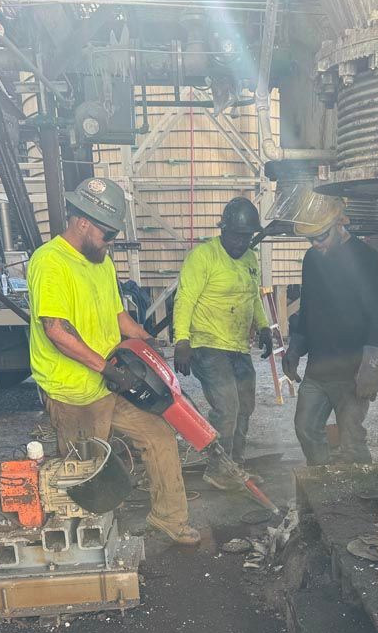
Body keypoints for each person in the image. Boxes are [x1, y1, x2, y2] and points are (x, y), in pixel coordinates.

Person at [27, 176, 200, 547]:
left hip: (112, 379)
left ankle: (169, 517)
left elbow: (115, 312)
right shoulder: (50, 262)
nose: (110, 243)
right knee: (86, 474)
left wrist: (144, 337)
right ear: (82, 222)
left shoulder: (100, 259)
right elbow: (56, 330)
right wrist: (107, 369)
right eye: (107, 235)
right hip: (74, 392)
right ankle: (83, 543)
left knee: (159, 437)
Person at [281, 192, 378, 465]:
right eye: (311, 238)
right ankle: (322, 486)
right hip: (319, 369)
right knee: (306, 429)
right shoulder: (312, 259)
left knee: (351, 441)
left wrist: (371, 368)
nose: (316, 244)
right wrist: (295, 347)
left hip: (352, 372)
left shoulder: (367, 259)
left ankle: (361, 497)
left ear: (340, 223)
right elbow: (308, 310)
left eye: (322, 236)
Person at [172, 197, 273, 490]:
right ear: (224, 230)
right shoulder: (203, 256)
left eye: (247, 237)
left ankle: (235, 465)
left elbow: (253, 296)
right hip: (206, 344)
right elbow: (185, 298)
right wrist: (182, 340)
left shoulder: (250, 259)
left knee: (245, 406)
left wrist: (264, 326)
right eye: (237, 236)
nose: (242, 243)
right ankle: (217, 469)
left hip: (238, 346)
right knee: (227, 407)